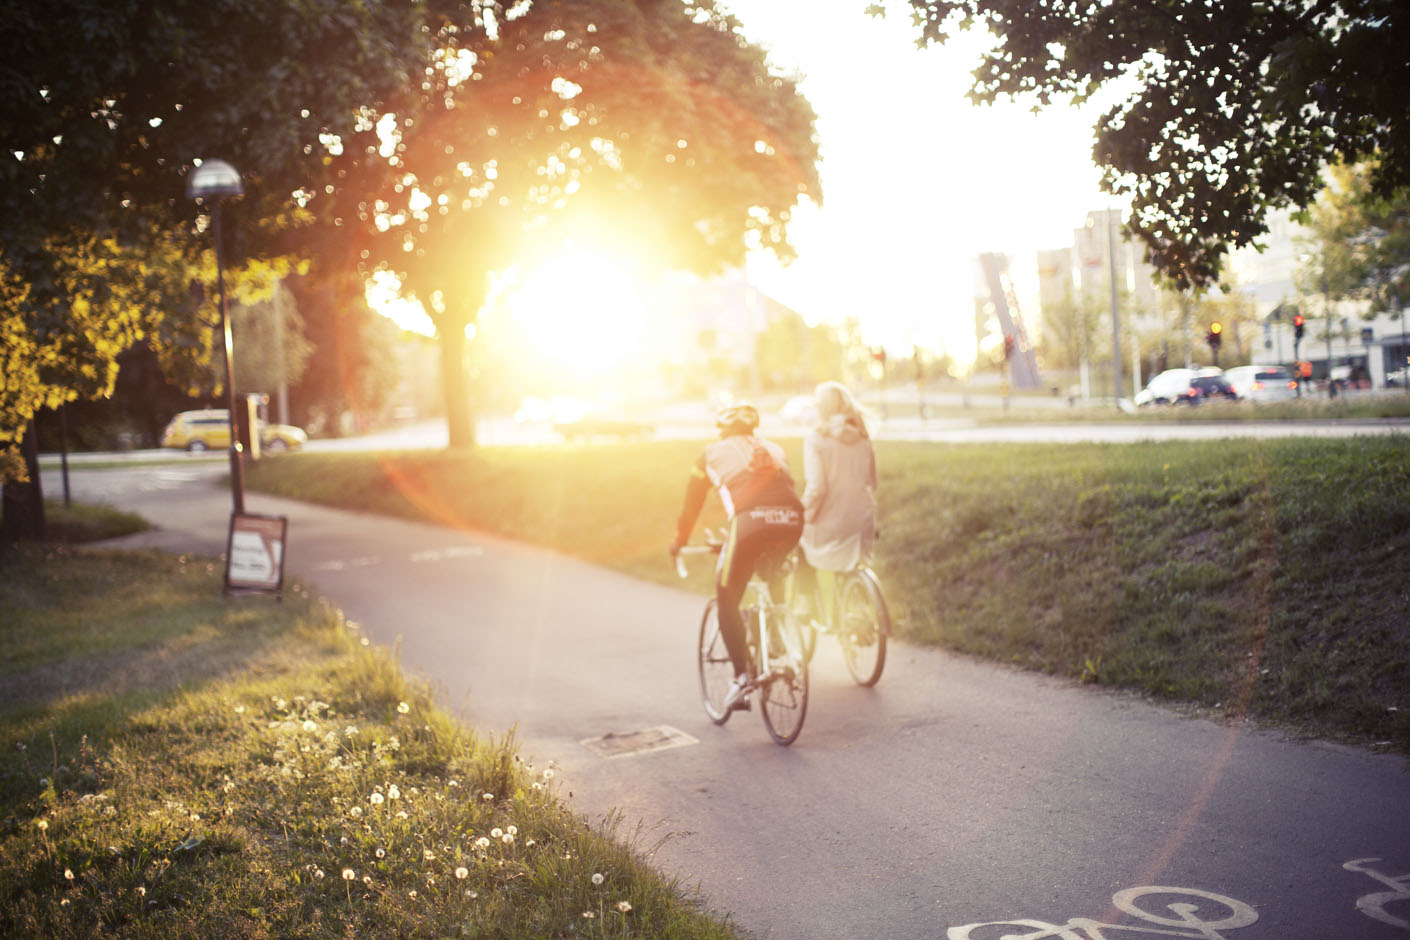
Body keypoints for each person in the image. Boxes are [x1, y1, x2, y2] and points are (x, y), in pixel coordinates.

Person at [670, 402, 803, 713]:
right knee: (772, 576)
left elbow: (692, 507)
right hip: (793, 518)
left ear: (722, 430)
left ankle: (742, 677)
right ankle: (780, 649)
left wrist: (678, 541)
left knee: (727, 597)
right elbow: (776, 493)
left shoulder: (709, 454)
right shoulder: (774, 448)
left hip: (749, 523)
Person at [795, 381, 877, 624]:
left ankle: (805, 602)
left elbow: (817, 488)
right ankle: (857, 611)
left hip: (830, 521)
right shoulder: (863, 438)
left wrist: (802, 513)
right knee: (849, 562)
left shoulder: (816, 439)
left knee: (800, 540)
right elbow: (872, 482)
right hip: (862, 518)